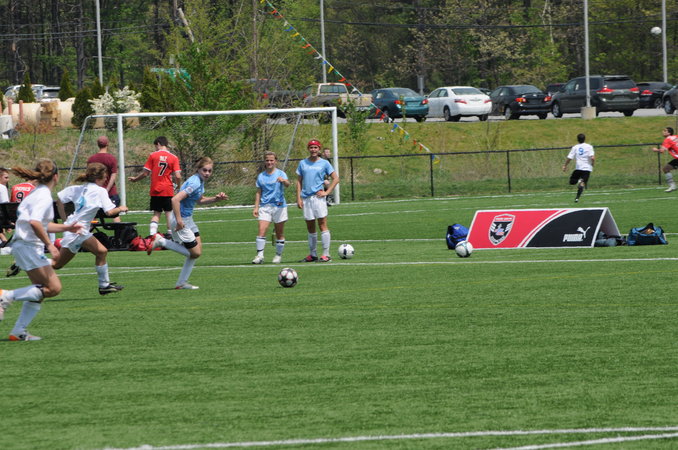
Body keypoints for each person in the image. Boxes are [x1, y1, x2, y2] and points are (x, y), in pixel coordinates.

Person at [0, 159, 83, 341]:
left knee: (40, 291)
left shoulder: (35, 193)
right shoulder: (43, 196)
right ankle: (5, 296)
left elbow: (42, 224)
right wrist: (50, 245)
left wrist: (67, 228)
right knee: (54, 288)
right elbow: (35, 223)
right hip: (29, 246)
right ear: (56, 176)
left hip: (24, 246)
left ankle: (19, 331)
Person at [146, 157, 228, 289]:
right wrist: (179, 221)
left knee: (196, 252)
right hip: (181, 220)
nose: (207, 173)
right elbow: (175, 200)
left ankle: (181, 283)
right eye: (204, 170)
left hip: (188, 219)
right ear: (198, 169)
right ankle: (161, 241)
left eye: (209, 171)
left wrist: (216, 199)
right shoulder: (194, 182)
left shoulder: (199, 181)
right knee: (195, 253)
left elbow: (200, 200)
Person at [54, 162, 128, 295]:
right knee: (101, 252)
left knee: (57, 264)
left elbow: (59, 200)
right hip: (78, 230)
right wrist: (121, 208)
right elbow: (109, 212)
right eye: (105, 176)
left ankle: (28, 262)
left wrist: (65, 220)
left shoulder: (78, 188)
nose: (106, 179)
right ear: (99, 177)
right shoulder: (100, 191)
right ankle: (104, 286)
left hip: (74, 228)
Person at [128, 136, 182, 236]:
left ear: (158, 144)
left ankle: (152, 235)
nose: (155, 148)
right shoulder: (173, 157)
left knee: (156, 213)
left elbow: (145, 173)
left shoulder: (153, 155)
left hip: (155, 189)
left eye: (155, 146)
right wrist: (178, 187)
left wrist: (135, 179)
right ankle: (170, 234)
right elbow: (178, 176)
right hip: (167, 189)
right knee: (169, 213)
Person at [296, 139, 339, 262]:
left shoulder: (324, 163)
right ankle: (313, 254)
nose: (313, 150)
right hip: (306, 198)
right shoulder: (303, 163)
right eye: (311, 147)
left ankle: (326, 254)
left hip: (318, 198)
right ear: (308, 149)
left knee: (322, 224)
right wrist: (298, 198)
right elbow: (299, 181)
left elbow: (336, 178)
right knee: (310, 226)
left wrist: (327, 192)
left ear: (319, 149)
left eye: (315, 147)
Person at [252, 151, 290, 264]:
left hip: (279, 207)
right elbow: (258, 192)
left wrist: (284, 181)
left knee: (279, 233)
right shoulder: (261, 176)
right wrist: (256, 207)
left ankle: (278, 255)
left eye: (271, 160)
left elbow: (288, 185)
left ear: (275, 161)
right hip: (265, 207)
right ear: (264, 162)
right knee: (262, 230)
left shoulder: (281, 173)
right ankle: (260, 256)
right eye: (267, 160)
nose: (269, 162)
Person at [87, 135, 121, 222]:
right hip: (110, 192)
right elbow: (113, 176)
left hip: (94, 193)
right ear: (107, 144)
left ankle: (91, 231)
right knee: (115, 215)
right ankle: (118, 231)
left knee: (92, 215)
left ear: (97, 144)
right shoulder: (111, 158)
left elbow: (89, 176)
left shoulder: (91, 159)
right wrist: (107, 189)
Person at [562, 133, 595, 203]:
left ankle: (577, 198)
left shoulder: (575, 147)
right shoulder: (589, 146)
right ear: (584, 139)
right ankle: (577, 197)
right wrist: (592, 163)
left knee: (572, 182)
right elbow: (592, 157)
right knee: (582, 183)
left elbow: (569, 157)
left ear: (577, 139)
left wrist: (565, 165)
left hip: (579, 168)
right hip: (587, 168)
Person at [651, 127, 678, 192]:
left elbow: (662, 151)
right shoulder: (676, 136)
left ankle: (672, 186)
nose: (663, 132)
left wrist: (656, 150)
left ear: (669, 133)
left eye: (665, 131)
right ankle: (673, 186)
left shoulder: (667, 140)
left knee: (666, 169)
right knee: (666, 168)